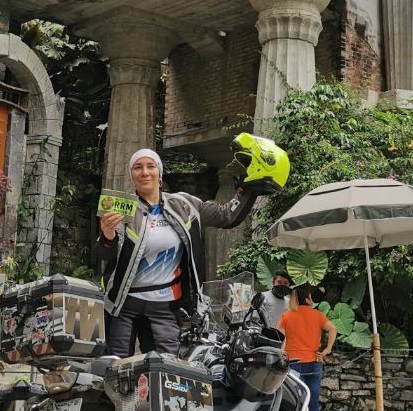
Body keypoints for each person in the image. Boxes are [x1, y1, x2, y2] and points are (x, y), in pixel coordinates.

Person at [98, 141, 287, 358]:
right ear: (132, 176)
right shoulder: (121, 208)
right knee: (117, 370)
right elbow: (105, 254)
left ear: (160, 173)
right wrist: (108, 236)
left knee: (163, 372)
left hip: (165, 308)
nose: (145, 172)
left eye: (151, 166)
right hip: (123, 305)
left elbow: (226, 215)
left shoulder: (184, 205)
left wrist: (250, 187)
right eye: (137, 167)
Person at [278, 282, 337, 411]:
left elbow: (280, 338)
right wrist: (327, 350)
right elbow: (333, 329)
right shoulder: (317, 315)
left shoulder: (287, 316)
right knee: (313, 404)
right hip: (314, 362)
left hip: (294, 363)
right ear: (309, 298)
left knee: (296, 403)